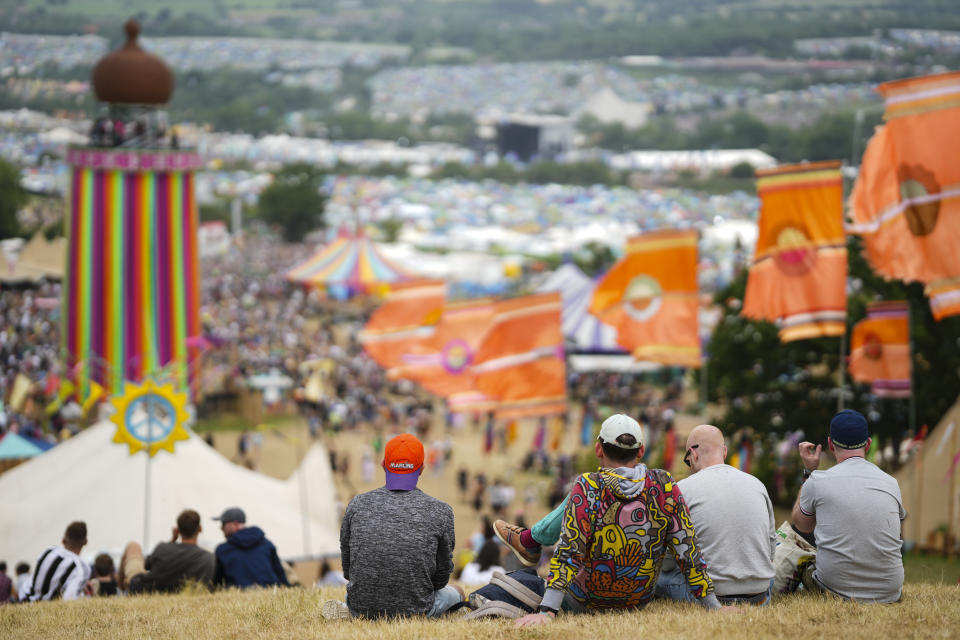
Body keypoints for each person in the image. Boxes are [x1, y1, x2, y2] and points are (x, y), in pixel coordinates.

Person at [509, 415, 730, 627]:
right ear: (641, 451)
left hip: (584, 602)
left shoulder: (587, 485)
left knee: (522, 578)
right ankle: (529, 539)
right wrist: (715, 606)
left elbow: (570, 551)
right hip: (637, 601)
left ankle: (530, 540)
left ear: (598, 449)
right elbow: (687, 548)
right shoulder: (664, 484)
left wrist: (547, 612)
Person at [324, 433, 462, 619]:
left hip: (361, 604)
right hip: (418, 608)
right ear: (421, 469)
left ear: (383, 465)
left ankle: (352, 610)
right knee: (457, 591)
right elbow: (441, 578)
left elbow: (348, 570)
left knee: (353, 594)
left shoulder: (356, 504)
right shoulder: (441, 511)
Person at [791, 409, 906, 603]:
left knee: (803, 568)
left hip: (834, 589)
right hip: (889, 592)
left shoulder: (818, 480)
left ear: (830, 444)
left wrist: (809, 472)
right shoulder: (891, 482)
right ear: (868, 444)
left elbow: (801, 525)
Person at [656, 424, 776, 605]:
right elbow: (771, 547)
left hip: (709, 593)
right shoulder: (757, 484)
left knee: (657, 577)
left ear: (693, 454)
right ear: (725, 452)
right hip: (759, 593)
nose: (689, 467)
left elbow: (668, 563)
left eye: (687, 461)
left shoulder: (682, 489)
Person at [119, 509, 216, 593]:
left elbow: (146, 564)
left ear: (177, 530)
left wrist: (172, 540)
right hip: (181, 593)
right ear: (200, 529)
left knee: (133, 546)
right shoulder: (208, 558)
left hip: (144, 588)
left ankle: (121, 588)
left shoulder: (162, 548)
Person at [213, 507, 289, 589]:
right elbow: (281, 576)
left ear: (235, 524)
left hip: (239, 599)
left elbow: (217, 584)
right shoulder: (267, 544)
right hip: (271, 593)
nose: (221, 528)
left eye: (223, 524)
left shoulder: (222, 550)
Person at [19, 521, 91, 602]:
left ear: (63, 540)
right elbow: (69, 599)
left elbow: (32, 582)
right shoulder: (82, 567)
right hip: (50, 610)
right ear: (85, 542)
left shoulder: (48, 551)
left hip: (25, 600)